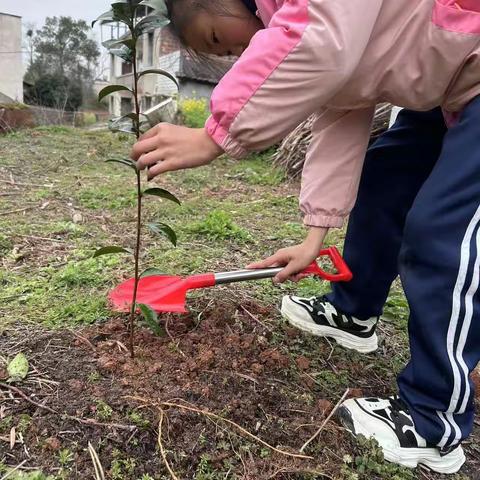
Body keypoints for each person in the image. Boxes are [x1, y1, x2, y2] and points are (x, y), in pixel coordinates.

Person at [130, 0, 480, 473]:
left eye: (216, 37)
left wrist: (216, 133)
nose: (233, 52)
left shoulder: (315, 14)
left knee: (441, 230)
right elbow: (341, 114)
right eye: (223, 54)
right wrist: (315, 236)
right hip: (449, 85)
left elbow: (319, 41)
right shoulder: (326, 30)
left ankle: (433, 421)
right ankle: (353, 314)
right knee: (383, 181)